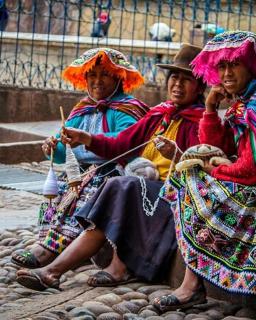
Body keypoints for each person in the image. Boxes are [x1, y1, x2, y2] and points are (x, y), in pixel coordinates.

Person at [15, 43, 207, 291]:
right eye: (174, 78)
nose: (178, 85)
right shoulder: (159, 114)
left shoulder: (202, 122)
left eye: (186, 79)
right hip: (143, 188)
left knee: (120, 184)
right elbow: (121, 144)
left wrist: (177, 155)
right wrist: (85, 138)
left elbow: (199, 167)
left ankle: (115, 267)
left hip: (170, 195)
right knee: (112, 189)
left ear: (200, 86)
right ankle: (51, 269)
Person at [154, 31, 256, 312]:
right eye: (221, 66)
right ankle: (192, 285)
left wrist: (216, 169)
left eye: (234, 64)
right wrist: (210, 109)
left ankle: (191, 287)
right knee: (194, 175)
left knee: (191, 179)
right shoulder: (246, 100)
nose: (227, 72)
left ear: (252, 66)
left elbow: (255, 170)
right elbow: (216, 144)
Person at [11, 47, 148, 269]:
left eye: (104, 75)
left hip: (111, 171)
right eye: (92, 75)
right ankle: (46, 243)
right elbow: (64, 145)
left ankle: (52, 252)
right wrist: (53, 146)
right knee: (57, 194)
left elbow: (128, 142)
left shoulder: (128, 109)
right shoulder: (82, 109)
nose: (97, 81)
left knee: (86, 192)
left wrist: (88, 138)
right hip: (80, 172)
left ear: (118, 78)